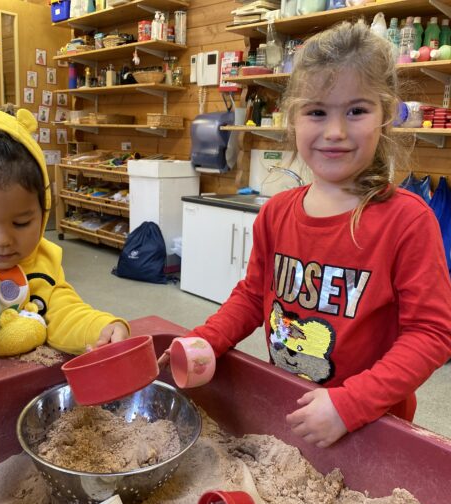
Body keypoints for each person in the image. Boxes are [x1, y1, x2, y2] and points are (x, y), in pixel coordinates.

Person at [175, 21, 451, 447]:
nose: (335, 132)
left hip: (370, 424)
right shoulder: (277, 212)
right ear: (293, 119)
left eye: (356, 111)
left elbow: (431, 335)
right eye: (317, 111)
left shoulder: (408, 222)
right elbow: (252, 295)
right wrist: (207, 339)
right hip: (292, 405)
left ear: (386, 114)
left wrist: (351, 404)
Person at [0, 108, 130, 468]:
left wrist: (104, 327)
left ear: (43, 209)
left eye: (22, 221)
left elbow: (61, 308)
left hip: (5, 399)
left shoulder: (40, 261)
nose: (2, 240)